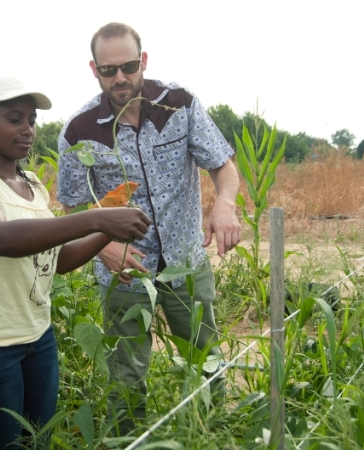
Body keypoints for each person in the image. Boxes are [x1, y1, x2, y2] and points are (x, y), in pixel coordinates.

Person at [0, 76, 151, 450]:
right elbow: (0, 239)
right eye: (15, 119)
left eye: (32, 120)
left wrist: (110, 221)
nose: (28, 130)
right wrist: (97, 218)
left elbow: (58, 261)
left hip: (37, 339)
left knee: (38, 442)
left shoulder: (34, 185)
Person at [57, 22, 242, 434]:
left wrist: (224, 204)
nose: (120, 77)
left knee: (206, 357)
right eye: (108, 70)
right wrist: (103, 249)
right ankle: (129, 441)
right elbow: (71, 207)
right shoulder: (79, 131)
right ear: (94, 69)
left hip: (185, 263)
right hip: (124, 270)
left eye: (127, 66)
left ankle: (210, 433)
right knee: (126, 374)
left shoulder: (179, 104)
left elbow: (223, 167)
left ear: (143, 61)